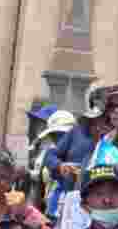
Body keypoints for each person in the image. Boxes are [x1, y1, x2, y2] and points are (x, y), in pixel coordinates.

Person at [43, 82, 110, 221]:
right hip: (69, 201)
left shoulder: (115, 139)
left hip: (101, 206)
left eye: (103, 120)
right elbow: (50, 155)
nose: (98, 126)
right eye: (95, 121)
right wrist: (60, 166)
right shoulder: (77, 132)